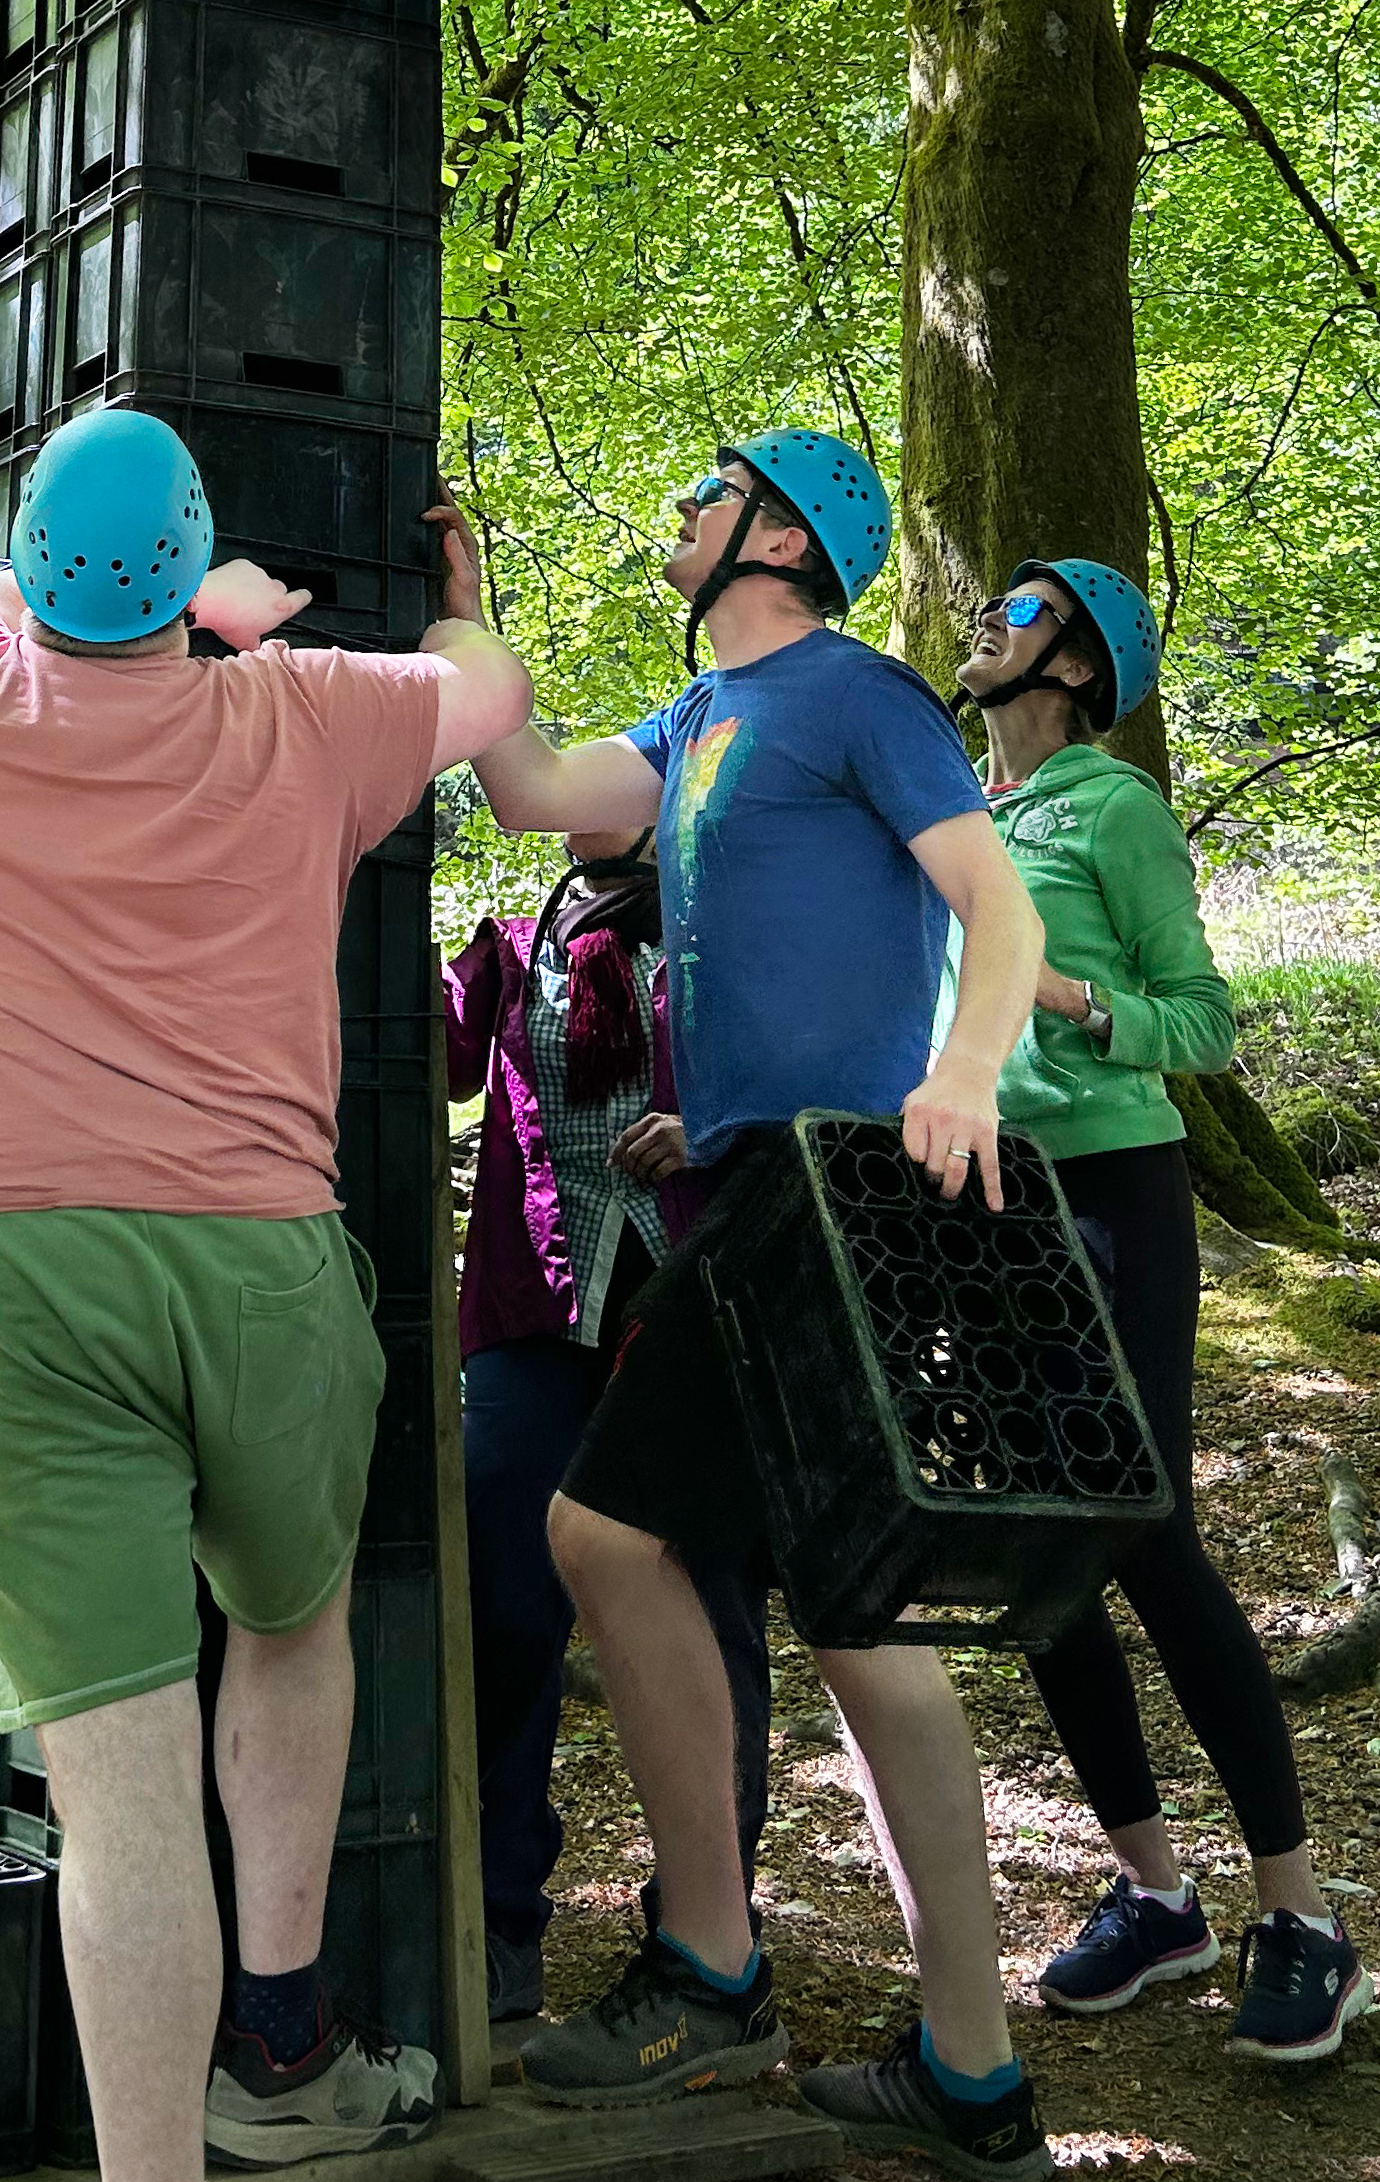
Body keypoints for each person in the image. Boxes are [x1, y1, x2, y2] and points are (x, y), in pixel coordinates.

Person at [0, 412, 530, 2182]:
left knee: (121, 1795)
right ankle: (285, 2038)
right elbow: (489, 691)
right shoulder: (308, 719)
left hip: (4, 1276)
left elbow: (7, 608)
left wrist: (198, 612)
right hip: (256, 1261)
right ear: (194, 557)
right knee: (292, 1624)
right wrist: (402, 608)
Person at [455, 435, 1063, 2179]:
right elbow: (532, 792)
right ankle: (970, 2070)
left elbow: (998, 916)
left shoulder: (860, 697)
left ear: (779, 539)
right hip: (748, 1185)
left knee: (607, 1534)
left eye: (702, 498)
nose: (678, 519)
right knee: (858, 1617)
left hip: (830, 1196)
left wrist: (960, 1078)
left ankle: (714, 1964)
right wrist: (470, 627)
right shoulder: (698, 722)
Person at [959, 561, 1375, 2065]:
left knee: (1140, 1526)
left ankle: (1305, 1918)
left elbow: (1201, 1018)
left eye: (1014, 616)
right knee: (1039, 1544)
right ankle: (1158, 1895)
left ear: (1075, 666)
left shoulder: (1113, 807)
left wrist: (1075, 1000)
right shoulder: (961, 810)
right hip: (984, 1199)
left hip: (1115, 1192)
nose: (982, 628)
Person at [444, 833, 771, 2033]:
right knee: (502, 1597)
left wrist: (710, 1123)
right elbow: (426, 1051)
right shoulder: (512, 948)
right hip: (538, 1309)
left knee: (712, 1598)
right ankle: (496, 1911)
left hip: (690, 1303)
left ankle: (709, 1919)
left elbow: (809, 1069)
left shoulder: (724, 934)